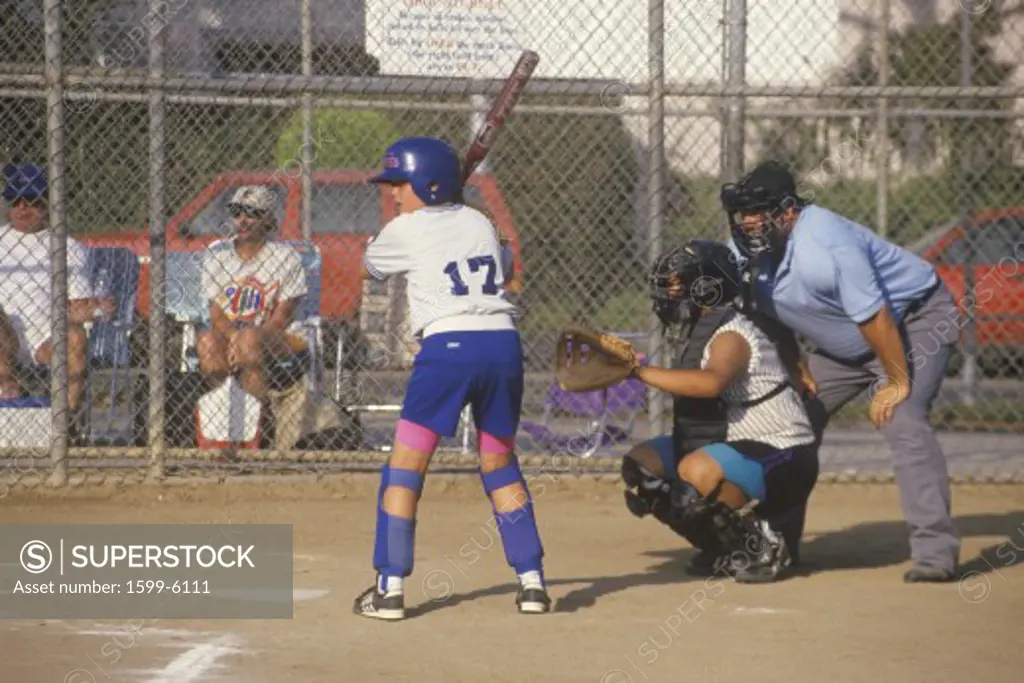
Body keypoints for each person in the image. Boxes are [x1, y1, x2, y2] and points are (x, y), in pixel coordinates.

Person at [721, 160, 962, 583]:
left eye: (762, 211)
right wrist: (796, 365)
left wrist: (896, 381)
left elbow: (875, 319)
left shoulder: (826, 244)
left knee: (903, 419)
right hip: (839, 344)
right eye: (745, 213)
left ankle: (935, 553)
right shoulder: (744, 251)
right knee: (792, 422)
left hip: (913, 323)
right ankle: (777, 547)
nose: (750, 222)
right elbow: (765, 314)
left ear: (790, 211)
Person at [352, 136, 548, 620]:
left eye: (400, 183)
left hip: (448, 351)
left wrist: (386, 237)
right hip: (503, 346)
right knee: (499, 462)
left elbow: (371, 266)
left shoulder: (405, 228)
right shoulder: (481, 221)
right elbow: (501, 265)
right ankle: (532, 583)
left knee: (405, 468)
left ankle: (390, 589)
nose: (394, 193)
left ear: (428, 183)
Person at [621, 239, 820, 583]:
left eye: (678, 284)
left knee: (694, 473)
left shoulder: (732, 334)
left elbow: (711, 383)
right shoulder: (697, 329)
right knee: (643, 468)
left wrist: (637, 373)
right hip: (734, 444)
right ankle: (720, 548)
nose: (669, 292)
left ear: (707, 289)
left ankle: (763, 544)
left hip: (784, 454)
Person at [0, 163, 114, 421]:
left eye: (30, 200)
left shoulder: (67, 247)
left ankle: (66, 423)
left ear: (46, 203)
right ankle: (7, 394)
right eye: (14, 199)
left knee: (74, 337)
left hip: (47, 337)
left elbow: (79, 307)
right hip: (5, 335)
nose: (21, 207)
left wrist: (92, 309)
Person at [197, 185, 308, 401]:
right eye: (237, 213)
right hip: (232, 333)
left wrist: (245, 339)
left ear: (268, 219)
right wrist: (234, 337)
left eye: (253, 213)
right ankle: (224, 413)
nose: (243, 220)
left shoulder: (286, 258)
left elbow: (281, 319)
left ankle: (258, 419)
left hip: (279, 337)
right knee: (207, 342)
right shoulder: (217, 258)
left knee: (249, 340)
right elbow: (217, 315)